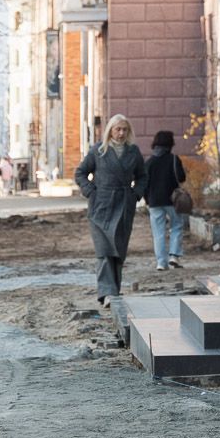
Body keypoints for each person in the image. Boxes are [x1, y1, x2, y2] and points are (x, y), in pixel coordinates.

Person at [74, 114, 148, 307]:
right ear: (110, 130)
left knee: (118, 251)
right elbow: (80, 173)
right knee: (104, 250)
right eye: (118, 129)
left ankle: (114, 290)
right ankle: (107, 293)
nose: (121, 133)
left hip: (124, 205)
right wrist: (91, 192)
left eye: (125, 129)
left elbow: (142, 176)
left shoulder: (133, 152)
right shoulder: (98, 151)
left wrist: (135, 194)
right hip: (101, 206)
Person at [145, 129, 188, 270]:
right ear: (170, 143)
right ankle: (174, 256)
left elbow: (144, 183)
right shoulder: (174, 159)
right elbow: (181, 178)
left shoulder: (149, 162)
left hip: (154, 202)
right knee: (176, 225)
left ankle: (161, 263)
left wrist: (147, 200)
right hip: (173, 200)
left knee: (158, 232)